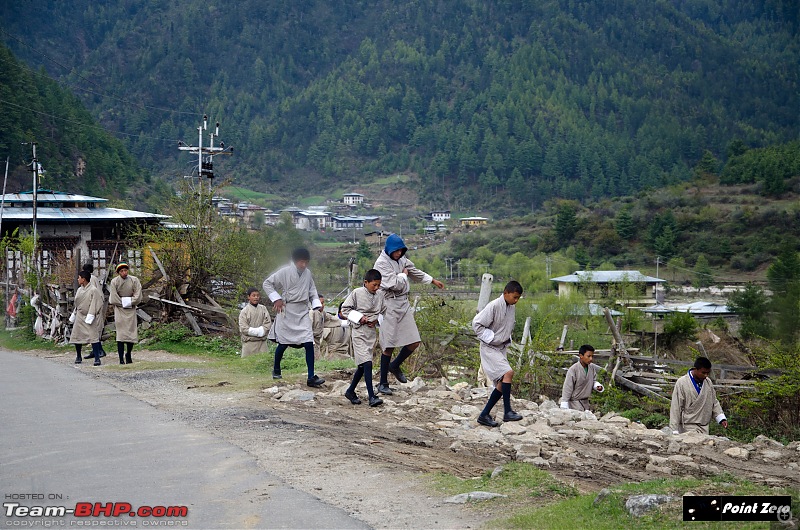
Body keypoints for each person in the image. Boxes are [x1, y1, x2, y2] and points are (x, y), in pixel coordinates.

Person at [373, 233, 444, 395]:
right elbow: (395, 284)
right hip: (388, 303)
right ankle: (383, 383)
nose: (399, 254)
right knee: (388, 343)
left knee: (414, 341)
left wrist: (432, 280)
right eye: (396, 251)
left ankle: (395, 365)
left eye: (401, 251)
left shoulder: (402, 260)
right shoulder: (381, 263)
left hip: (403, 303)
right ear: (390, 249)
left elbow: (414, 271)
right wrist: (403, 275)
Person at [263, 248, 325, 388]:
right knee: (283, 343)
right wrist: (276, 299)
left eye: (306, 262)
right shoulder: (284, 271)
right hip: (287, 310)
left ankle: (311, 376)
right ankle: (276, 368)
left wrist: (316, 304)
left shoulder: (308, 274)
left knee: (309, 342)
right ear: (295, 261)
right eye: (301, 262)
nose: (304, 265)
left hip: (302, 311)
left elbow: (312, 290)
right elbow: (267, 284)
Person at [472, 280, 524, 427]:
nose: (516, 300)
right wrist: (491, 337)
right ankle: (507, 412)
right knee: (508, 373)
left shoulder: (510, 306)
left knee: (502, 382)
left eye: (518, 298)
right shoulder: (494, 305)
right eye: (514, 297)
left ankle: (484, 415)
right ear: (505, 293)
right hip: (490, 347)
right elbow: (476, 324)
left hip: (501, 348)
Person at [340, 269, 386, 407]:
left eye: (379, 285)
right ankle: (371, 396)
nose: (376, 288)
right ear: (366, 282)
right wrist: (361, 318)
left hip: (371, 333)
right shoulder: (357, 293)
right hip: (359, 332)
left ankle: (350, 391)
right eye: (374, 285)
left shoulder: (380, 295)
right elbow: (345, 309)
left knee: (362, 365)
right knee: (367, 362)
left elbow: (384, 312)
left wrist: (376, 320)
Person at [670, 357, 728, 434]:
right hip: (687, 427)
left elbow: (714, 401)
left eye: (708, 373)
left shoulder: (708, 382)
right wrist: (674, 429)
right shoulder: (682, 383)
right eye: (703, 373)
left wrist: (721, 418)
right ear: (695, 369)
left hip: (704, 427)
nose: (706, 375)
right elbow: (676, 407)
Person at [108, 263, 142, 365]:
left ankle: (129, 353)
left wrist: (131, 301)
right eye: (122, 271)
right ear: (118, 273)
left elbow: (138, 294)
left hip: (131, 308)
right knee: (121, 334)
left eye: (125, 270)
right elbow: (113, 297)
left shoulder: (134, 280)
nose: (124, 273)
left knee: (131, 333)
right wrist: (122, 303)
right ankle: (121, 358)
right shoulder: (114, 282)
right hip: (119, 309)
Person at [70, 270, 103, 365]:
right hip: (80, 315)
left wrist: (91, 314)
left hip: (89, 316)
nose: (78, 279)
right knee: (77, 336)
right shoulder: (80, 290)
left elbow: (97, 303)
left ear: (83, 279)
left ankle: (97, 358)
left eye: (79, 277)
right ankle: (78, 356)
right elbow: (77, 303)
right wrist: (74, 313)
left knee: (93, 337)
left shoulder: (93, 290)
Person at [560, 345, 604, 411]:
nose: (591, 359)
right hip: (574, 404)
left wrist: (597, 385)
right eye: (588, 356)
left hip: (585, 403)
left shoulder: (591, 367)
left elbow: (593, 380)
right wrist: (564, 402)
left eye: (592, 356)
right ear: (581, 356)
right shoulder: (573, 369)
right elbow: (568, 387)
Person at [81, 263, 107, 360]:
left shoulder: (90, 279)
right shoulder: (93, 278)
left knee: (94, 330)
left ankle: (99, 351)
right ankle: (96, 350)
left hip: (94, 308)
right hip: (92, 307)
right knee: (92, 331)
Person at [238, 287, 272, 357]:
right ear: (248, 297)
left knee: (263, 364)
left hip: (262, 344)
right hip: (249, 344)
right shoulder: (244, 311)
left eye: (257, 295)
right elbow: (243, 328)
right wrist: (257, 332)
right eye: (253, 295)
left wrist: (262, 331)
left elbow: (268, 324)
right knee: (247, 365)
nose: (256, 297)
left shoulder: (263, 308)